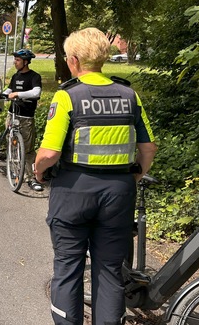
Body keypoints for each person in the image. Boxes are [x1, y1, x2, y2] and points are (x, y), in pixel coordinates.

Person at [33, 28, 157, 325]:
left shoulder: (67, 96)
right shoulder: (129, 95)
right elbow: (149, 148)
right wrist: (134, 176)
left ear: (74, 60)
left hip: (73, 192)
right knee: (110, 270)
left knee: (68, 268)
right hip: (118, 193)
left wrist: (38, 172)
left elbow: (49, 154)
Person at [4, 49, 43, 192]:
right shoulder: (15, 76)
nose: (15, 62)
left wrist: (18, 94)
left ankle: (30, 178)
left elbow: (36, 92)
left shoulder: (34, 76)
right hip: (12, 114)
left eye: (18, 60)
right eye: (15, 59)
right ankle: (14, 170)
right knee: (12, 144)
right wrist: (2, 94)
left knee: (27, 148)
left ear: (25, 62)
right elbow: (9, 90)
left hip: (26, 116)